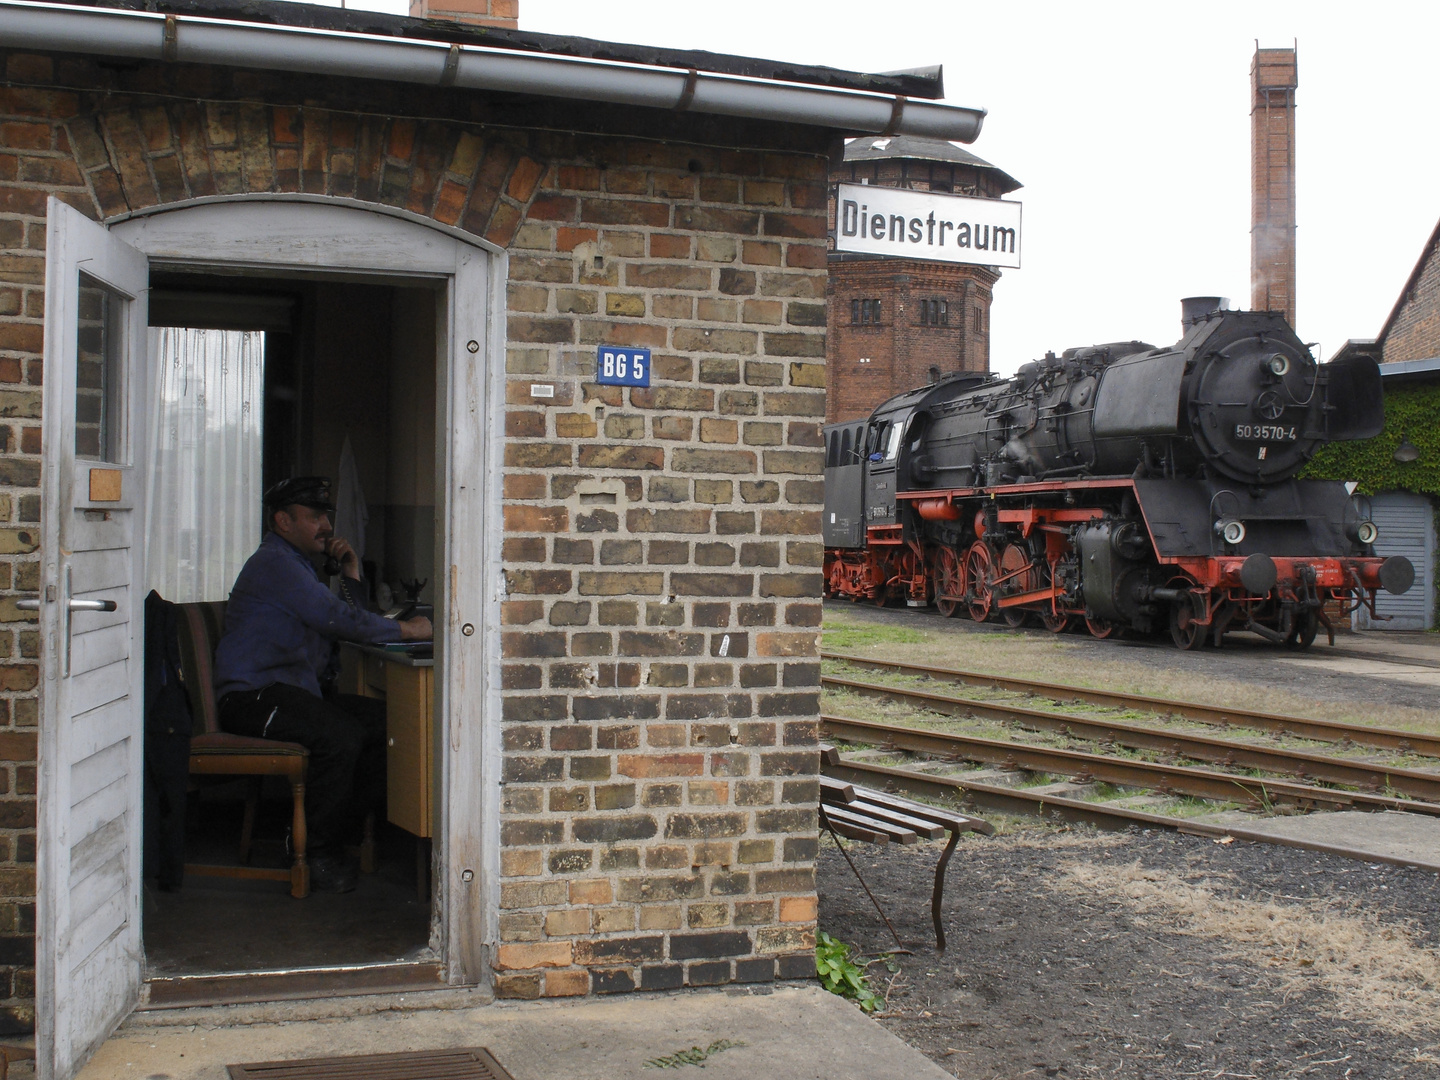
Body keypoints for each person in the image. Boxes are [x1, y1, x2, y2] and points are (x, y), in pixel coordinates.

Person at [213, 476, 432, 893]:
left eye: (325, 518)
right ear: (283, 521)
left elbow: (339, 616)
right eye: (314, 517)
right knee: (342, 737)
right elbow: (337, 620)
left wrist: (349, 571)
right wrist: (409, 629)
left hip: (291, 693)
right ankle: (318, 852)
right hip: (253, 697)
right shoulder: (276, 565)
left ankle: (327, 831)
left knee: (391, 727)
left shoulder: (297, 566)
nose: (326, 527)